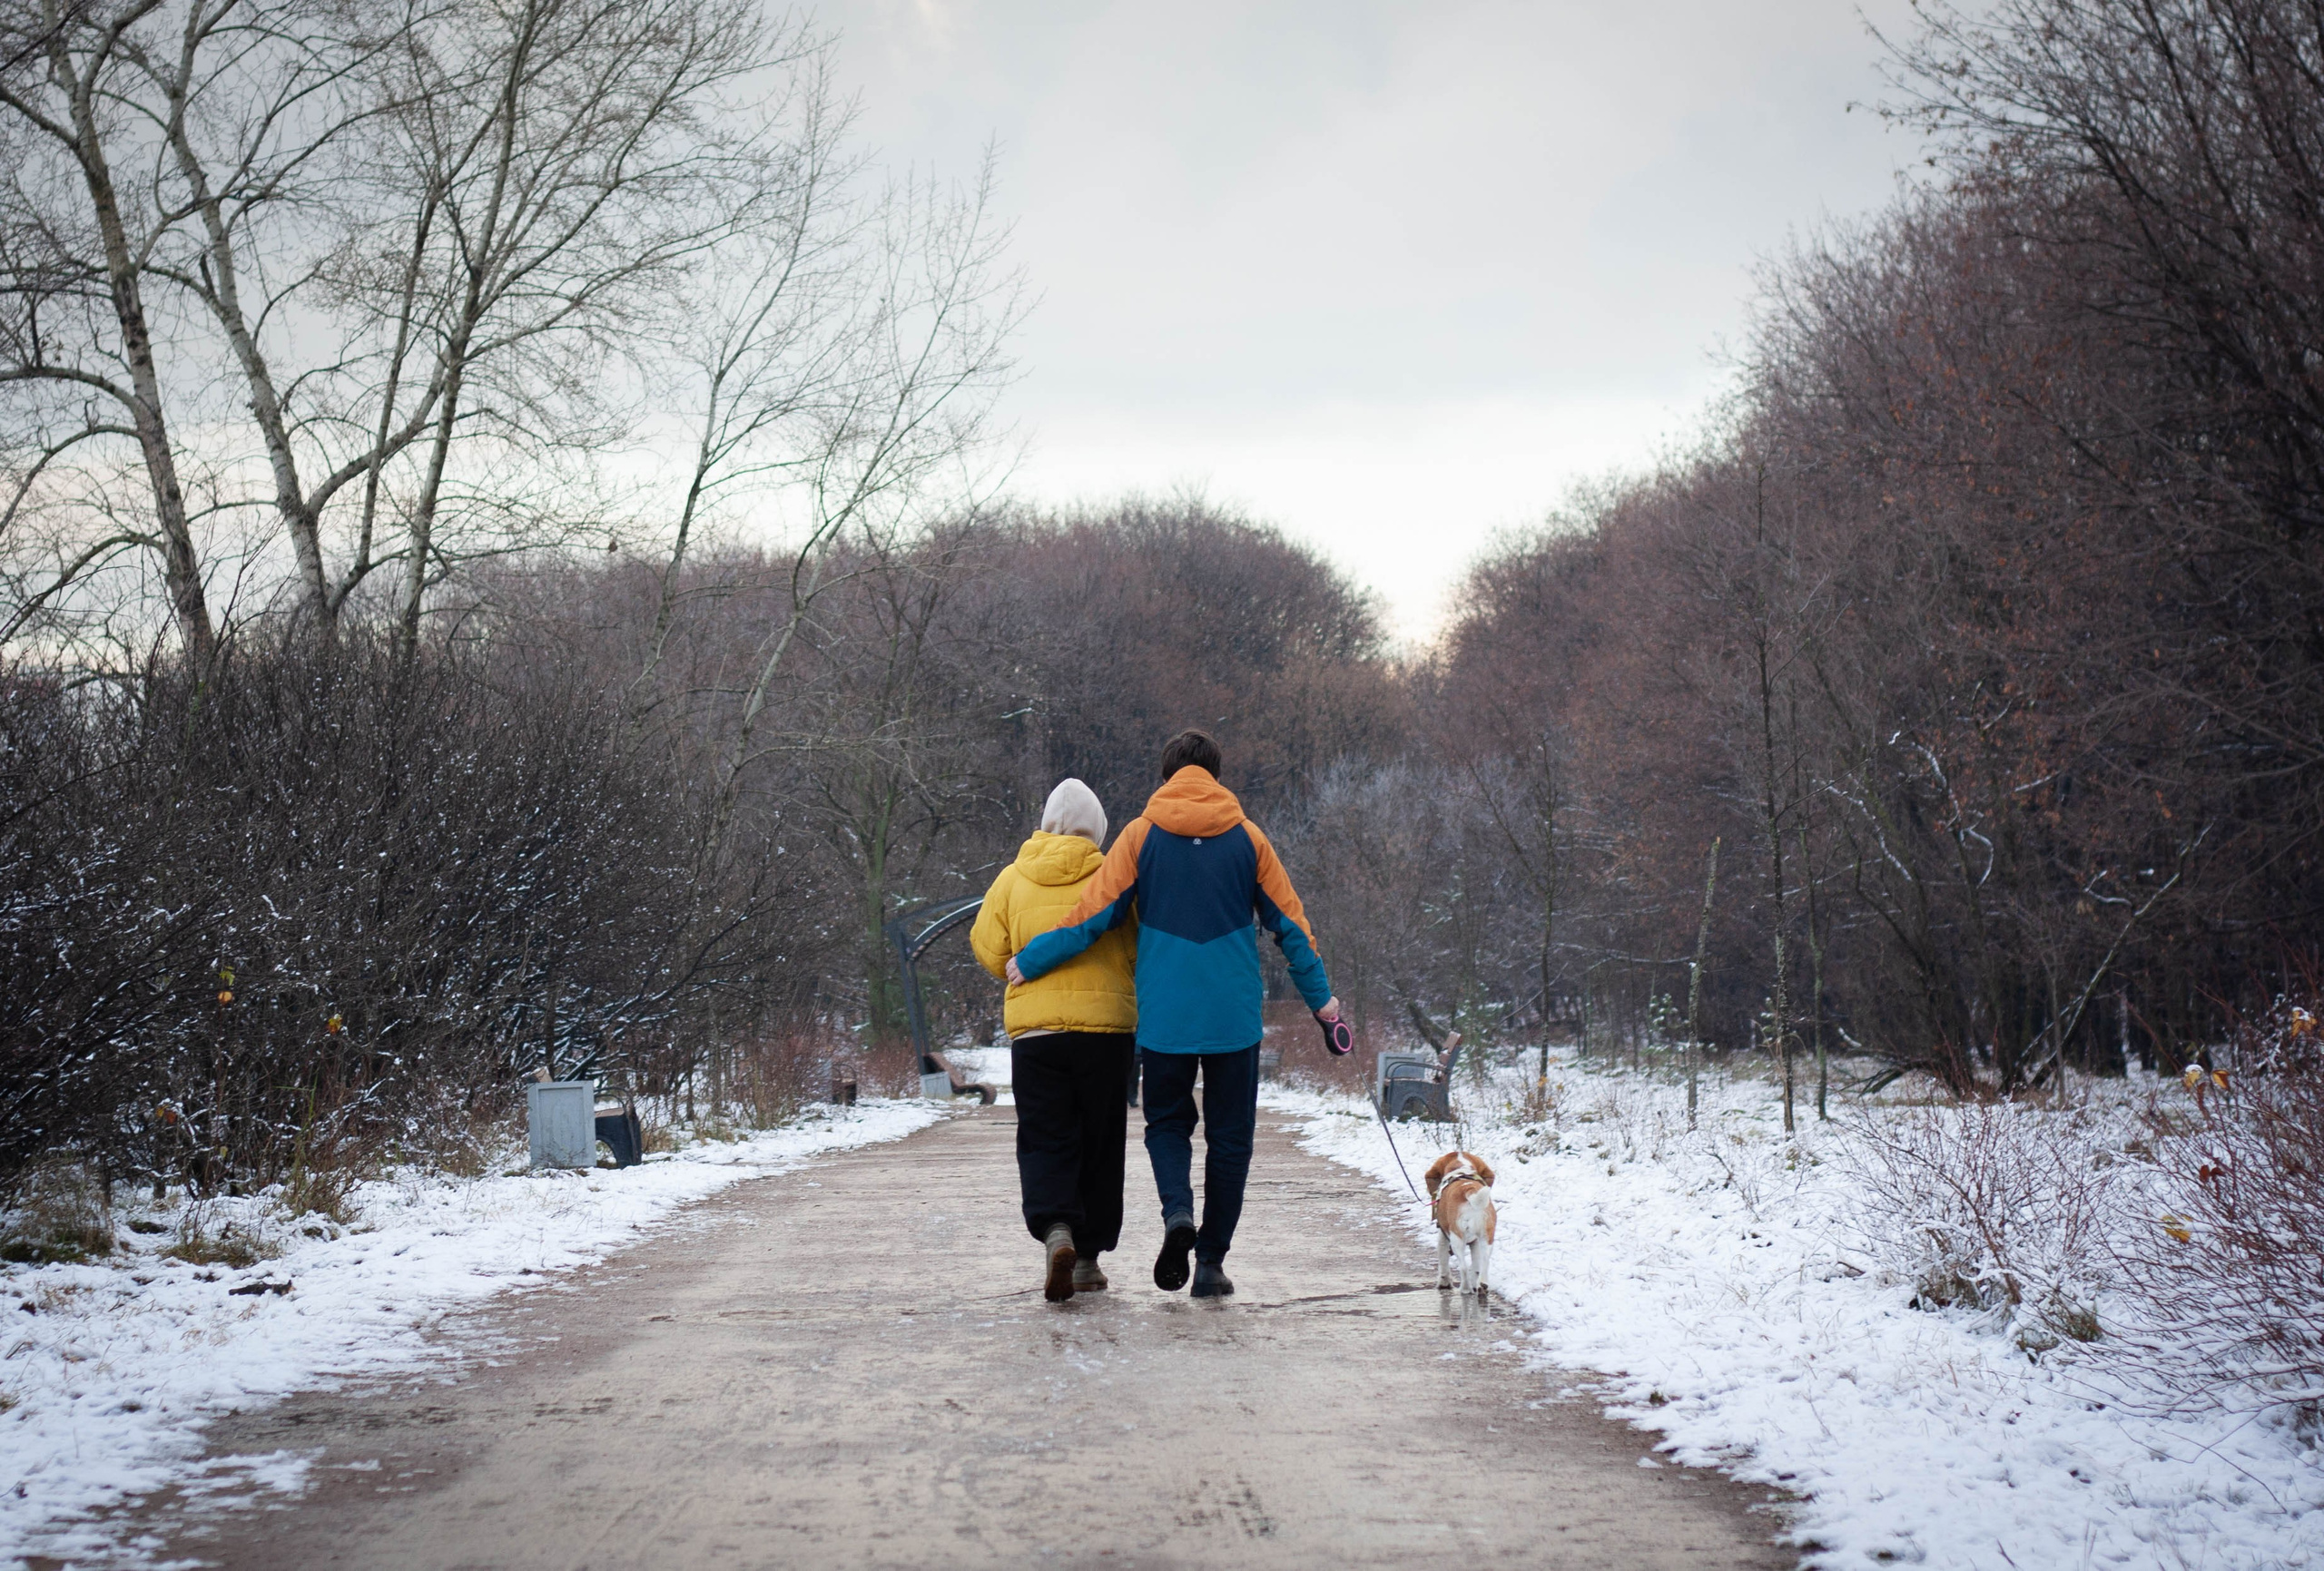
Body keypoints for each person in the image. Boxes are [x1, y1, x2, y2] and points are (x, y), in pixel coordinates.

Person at [1009, 730, 1340, 1299]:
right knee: (1231, 1140)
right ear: (1216, 776)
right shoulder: (1249, 839)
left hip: (1164, 1015)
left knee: (1167, 1125)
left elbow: (1092, 917)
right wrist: (1324, 1004)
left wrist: (1031, 959)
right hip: (1233, 1017)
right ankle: (1210, 1264)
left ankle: (1177, 1215)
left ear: (1166, 778)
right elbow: (1292, 928)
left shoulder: (1139, 837)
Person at [970, 778, 1137, 1303]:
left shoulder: (1011, 880)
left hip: (1037, 1036)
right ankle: (1087, 1260)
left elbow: (987, 948)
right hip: (1106, 1033)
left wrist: (1021, 972)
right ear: (1099, 827)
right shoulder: (1113, 878)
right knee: (1101, 1142)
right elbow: (1137, 946)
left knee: (1046, 1138)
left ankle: (1055, 1229)